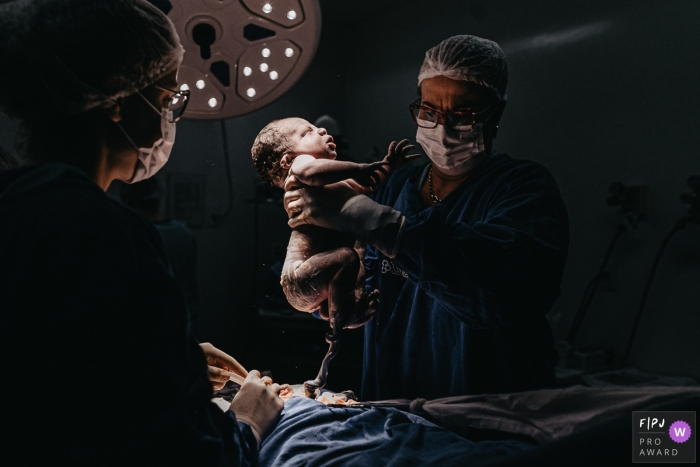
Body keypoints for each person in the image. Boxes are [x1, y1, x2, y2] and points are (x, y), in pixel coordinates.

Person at [0, 0, 282, 464]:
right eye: (168, 97)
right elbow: (184, 453)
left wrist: (171, 358)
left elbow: (54, 367)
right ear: (116, 100)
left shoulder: (19, 209)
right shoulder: (105, 236)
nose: (170, 117)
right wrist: (249, 420)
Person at [283, 35, 570, 401]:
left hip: (490, 408)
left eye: (462, 114)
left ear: (495, 114)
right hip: (396, 401)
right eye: (429, 111)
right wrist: (339, 295)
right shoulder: (395, 187)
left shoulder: (524, 188)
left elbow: (498, 290)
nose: (442, 126)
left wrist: (383, 226)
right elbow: (366, 277)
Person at [250, 118, 417, 333]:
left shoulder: (334, 186)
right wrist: (360, 168)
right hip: (298, 277)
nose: (321, 129)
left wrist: (388, 165)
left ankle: (347, 313)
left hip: (311, 281)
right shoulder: (299, 167)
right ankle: (341, 316)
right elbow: (314, 171)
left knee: (355, 253)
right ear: (287, 160)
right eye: (307, 132)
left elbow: (368, 184)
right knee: (348, 256)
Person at [119, 178, 200, 337]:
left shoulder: (132, 234)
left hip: (147, 334)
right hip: (183, 329)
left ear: (126, 199)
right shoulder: (183, 234)